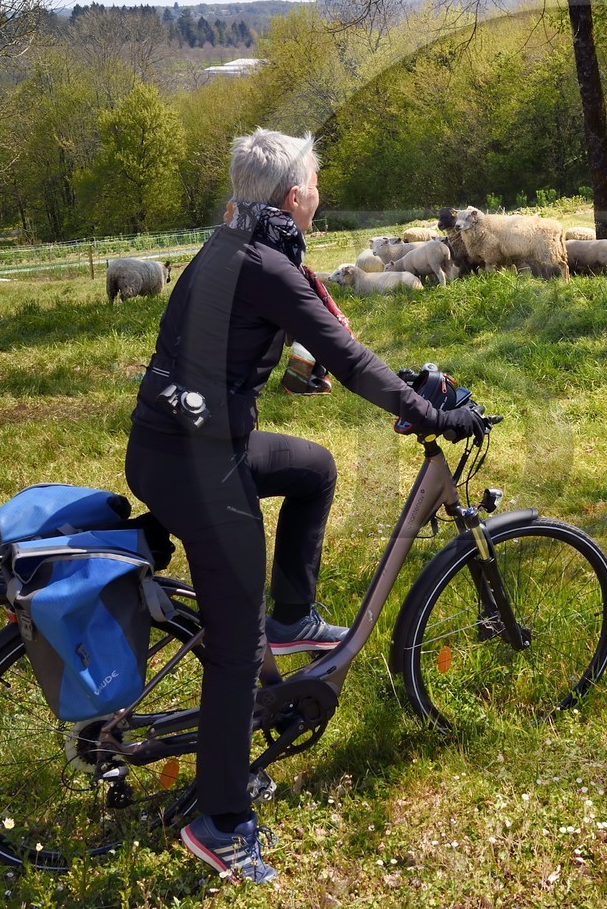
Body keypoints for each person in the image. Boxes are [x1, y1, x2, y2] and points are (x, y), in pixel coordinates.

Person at [124, 128, 485, 884]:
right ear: (294, 197)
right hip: (201, 464)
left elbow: (219, 346)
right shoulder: (269, 266)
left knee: (313, 468)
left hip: (172, 446)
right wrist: (430, 411)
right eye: (315, 185)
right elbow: (350, 360)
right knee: (233, 636)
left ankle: (294, 619)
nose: (319, 196)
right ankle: (221, 822)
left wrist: (280, 376)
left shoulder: (227, 245)